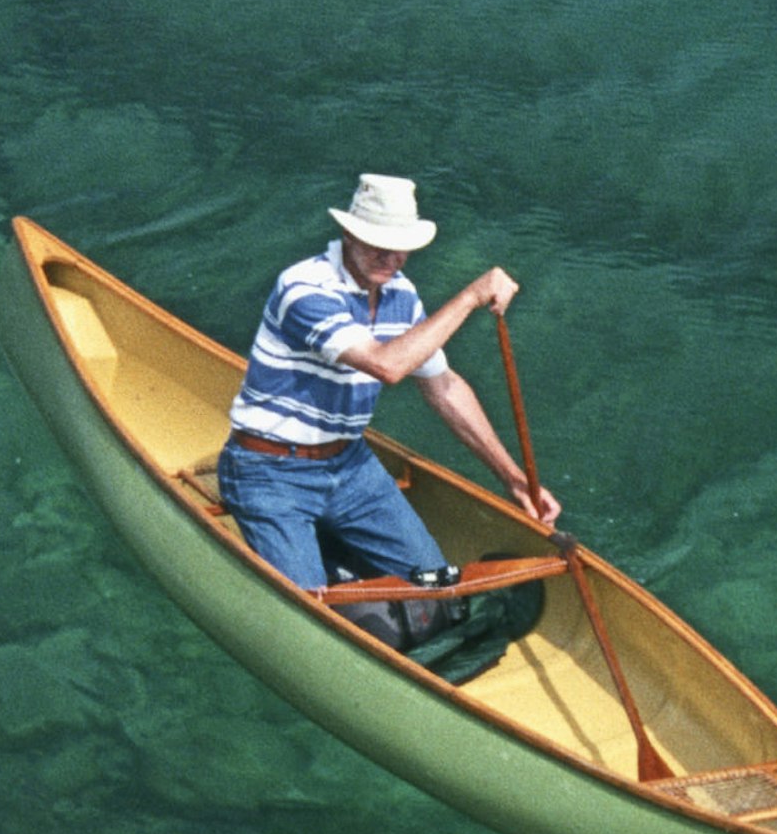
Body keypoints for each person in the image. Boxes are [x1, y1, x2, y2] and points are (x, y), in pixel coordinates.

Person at [216, 175, 558, 678]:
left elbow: (443, 386)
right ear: (350, 235)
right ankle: (318, 566)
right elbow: (386, 366)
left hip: (349, 465)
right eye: (378, 244)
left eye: (401, 248)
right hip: (268, 469)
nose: (390, 258)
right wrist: (469, 297)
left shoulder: (401, 296)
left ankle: (331, 555)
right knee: (311, 624)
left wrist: (510, 477)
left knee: (436, 594)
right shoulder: (304, 287)